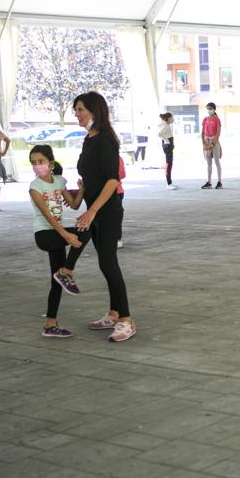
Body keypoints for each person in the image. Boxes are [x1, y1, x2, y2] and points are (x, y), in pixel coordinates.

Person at [71, 91, 135, 342]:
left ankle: (126, 320)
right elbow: (94, 175)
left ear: (94, 111)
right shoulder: (89, 138)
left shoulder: (106, 139)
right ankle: (114, 313)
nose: (76, 114)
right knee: (105, 263)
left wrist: (92, 210)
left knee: (109, 263)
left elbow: (112, 180)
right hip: (94, 210)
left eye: (80, 110)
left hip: (107, 211)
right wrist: (82, 188)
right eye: (75, 110)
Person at [28, 144, 91, 338]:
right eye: (33, 163)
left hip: (57, 234)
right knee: (84, 232)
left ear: (50, 162)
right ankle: (66, 271)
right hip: (45, 234)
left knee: (56, 282)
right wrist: (66, 235)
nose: (37, 166)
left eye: (41, 161)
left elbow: (74, 205)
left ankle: (50, 324)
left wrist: (81, 190)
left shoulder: (60, 181)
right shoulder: (35, 187)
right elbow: (48, 217)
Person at [201, 102, 222, 189]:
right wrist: (204, 143)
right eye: (208, 109)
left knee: (217, 161)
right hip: (206, 141)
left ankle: (219, 182)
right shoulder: (205, 119)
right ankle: (209, 182)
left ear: (214, 109)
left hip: (214, 142)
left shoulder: (217, 119)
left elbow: (218, 133)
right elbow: (202, 132)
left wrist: (212, 144)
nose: (209, 110)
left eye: (210, 109)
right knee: (208, 163)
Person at [158, 112, 177, 189]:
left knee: (169, 164)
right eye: (172, 118)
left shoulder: (166, 124)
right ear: (168, 118)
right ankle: (169, 183)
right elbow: (159, 134)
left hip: (168, 144)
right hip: (167, 145)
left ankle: (170, 182)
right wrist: (167, 141)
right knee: (169, 164)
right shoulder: (166, 126)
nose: (173, 119)